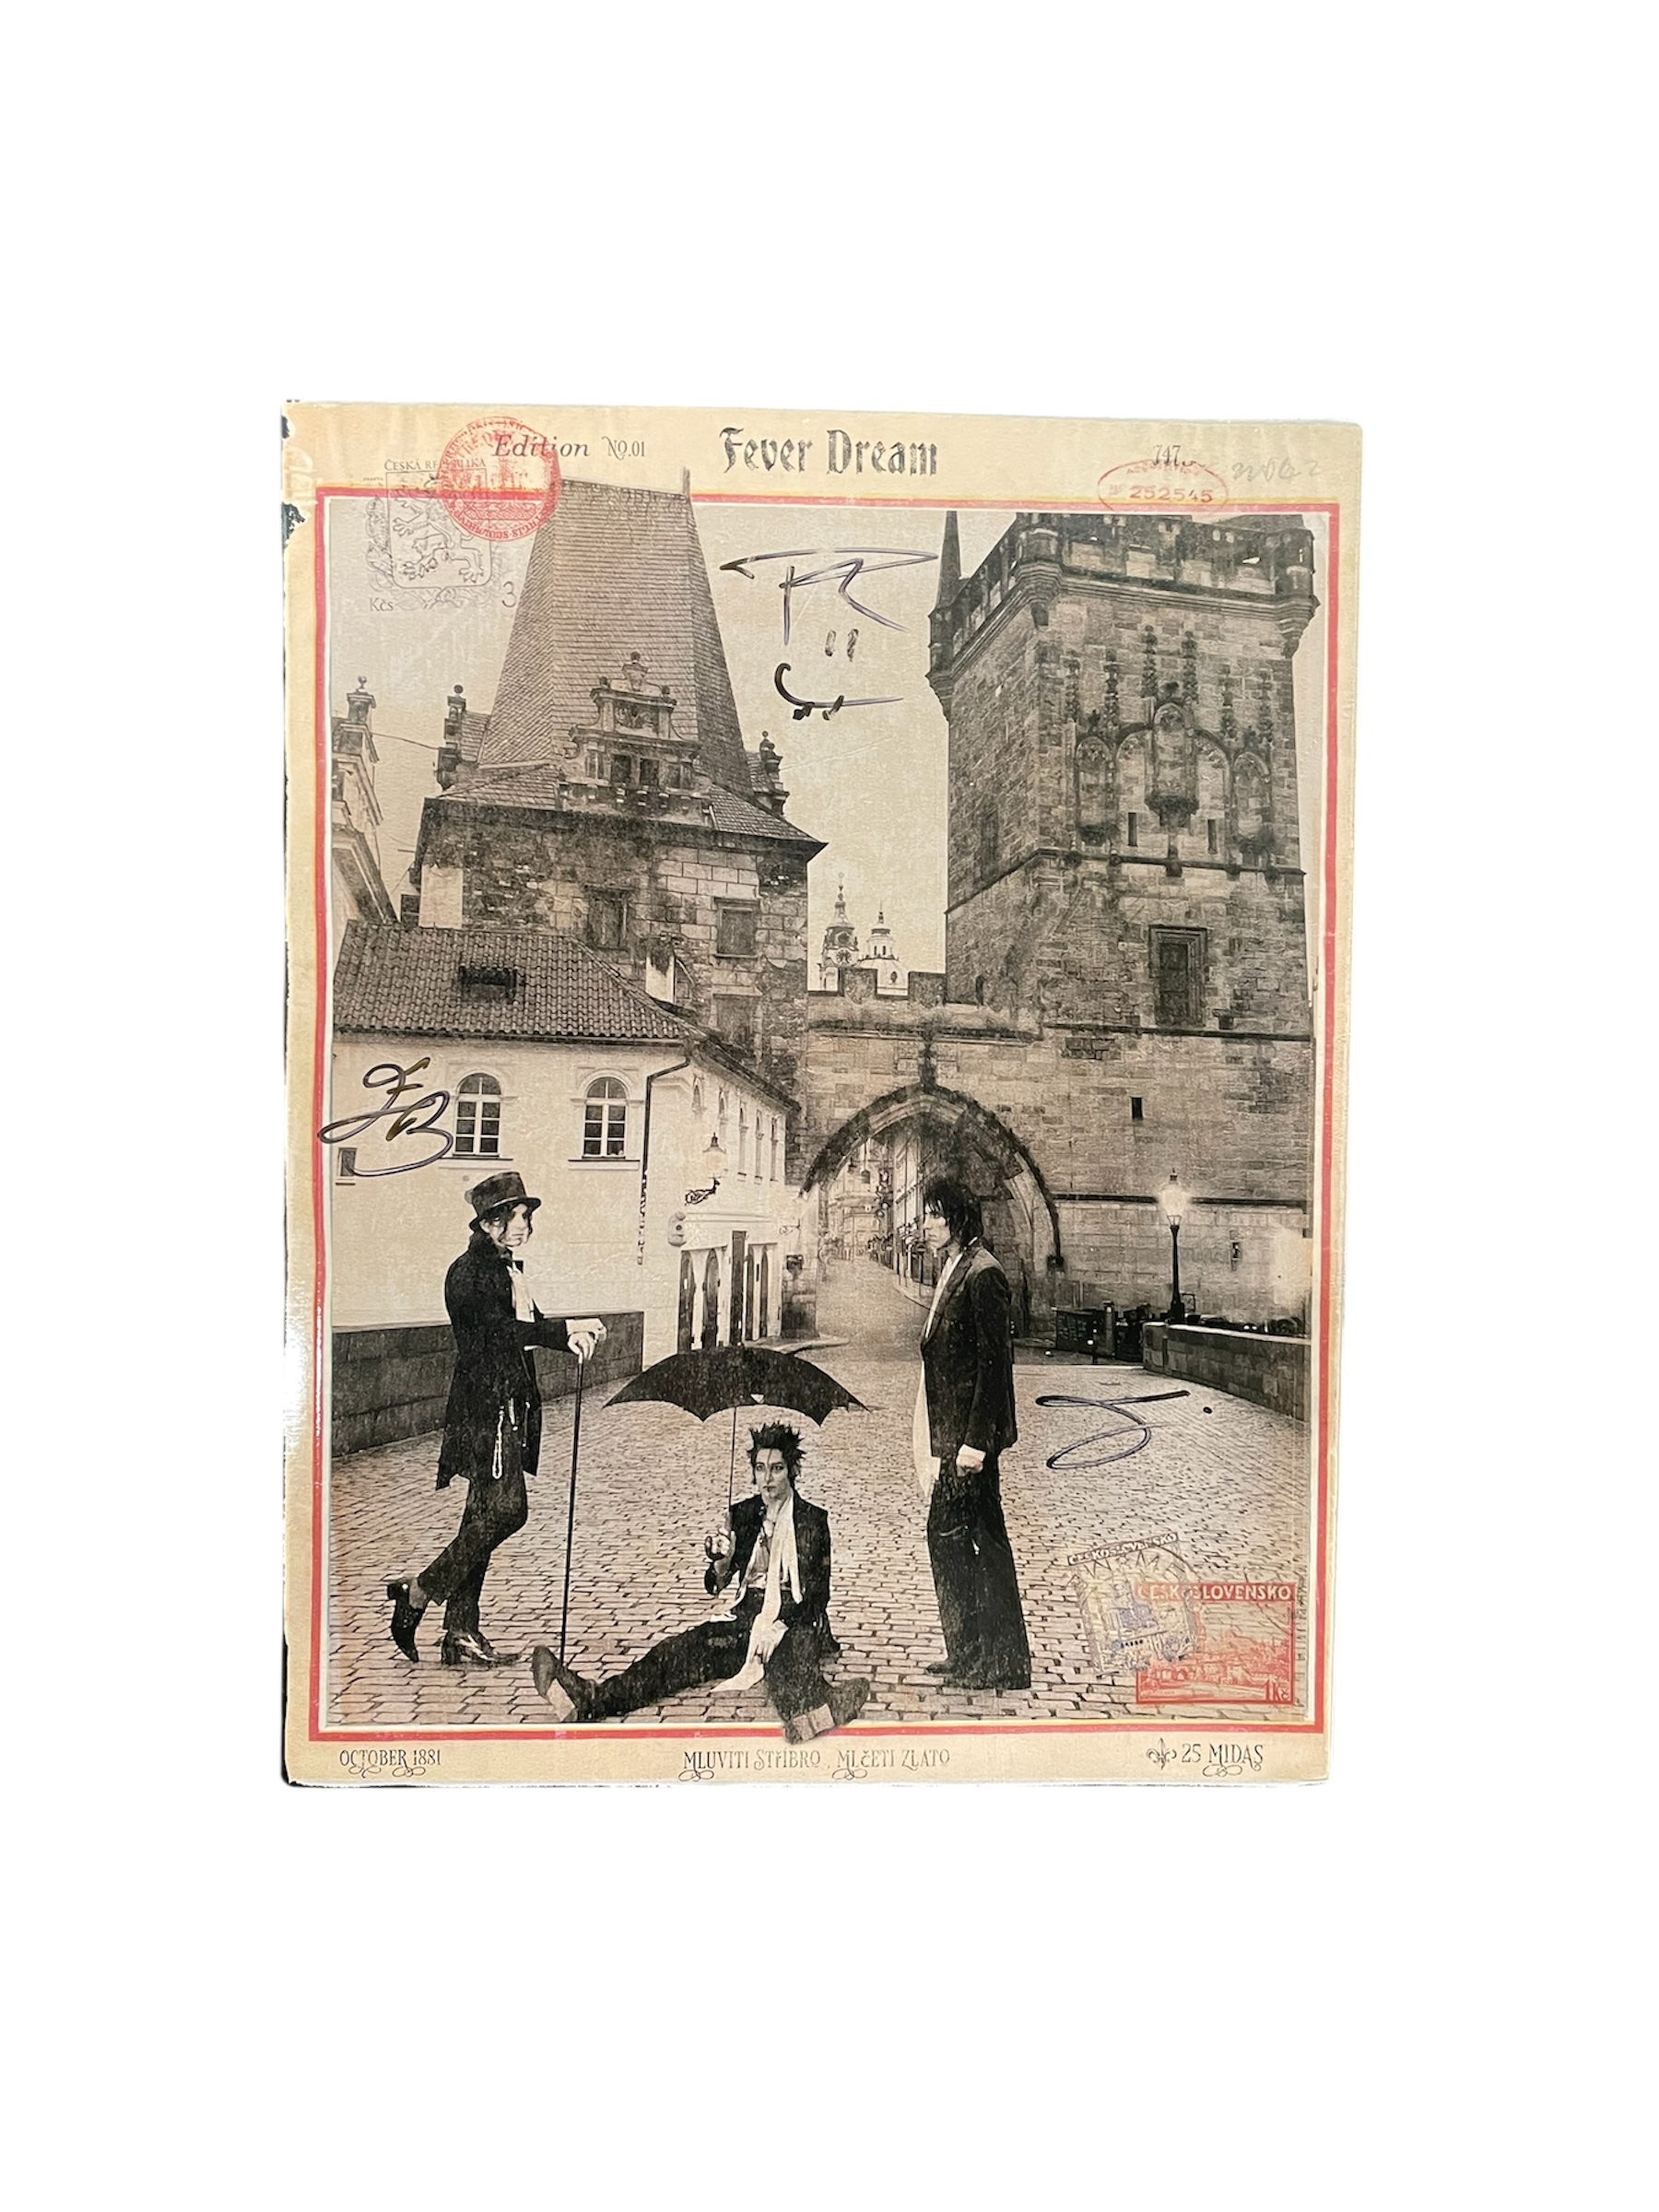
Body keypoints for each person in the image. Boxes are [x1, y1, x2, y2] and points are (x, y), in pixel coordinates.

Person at [387, 1172, 605, 1668]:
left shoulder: (504, 1271)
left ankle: (460, 1631)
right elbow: (500, 1333)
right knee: (508, 1513)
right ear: (490, 1223)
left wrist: (571, 1334)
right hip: (486, 1411)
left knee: (481, 1517)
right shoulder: (468, 1273)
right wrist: (564, 1330)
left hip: (505, 1405)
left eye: (526, 1216)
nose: (526, 1224)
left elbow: (529, 1327)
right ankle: (418, 1592)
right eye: (518, 1216)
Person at [531, 1425, 870, 1742]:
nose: (767, 1479)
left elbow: (818, 1596)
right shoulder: (742, 1514)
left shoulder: (812, 1519)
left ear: (792, 1471)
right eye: (760, 1468)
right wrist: (722, 1562)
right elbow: (716, 1585)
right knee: (677, 1652)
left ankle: (812, 1711)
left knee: (787, 1655)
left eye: (777, 1468)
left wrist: (779, 1624)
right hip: (744, 1619)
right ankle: (589, 1698)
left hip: (793, 1617)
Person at [913, 1174, 1032, 1690]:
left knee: (981, 1545)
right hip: (952, 1440)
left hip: (969, 1445)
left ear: (958, 1217)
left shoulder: (984, 1274)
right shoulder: (957, 1266)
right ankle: (967, 1652)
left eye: (934, 1214)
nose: (926, 1222)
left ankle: (1001, 1661)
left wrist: (975, 1445)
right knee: (951, 1543)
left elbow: (994, 1367)